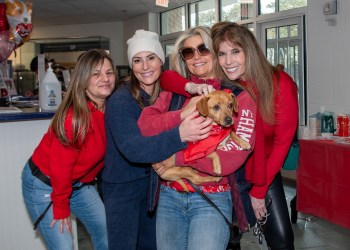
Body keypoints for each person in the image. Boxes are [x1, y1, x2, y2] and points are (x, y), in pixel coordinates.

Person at [137, 26, 257, 250]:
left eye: (203, 49)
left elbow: (232, 157)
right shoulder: (174, 93)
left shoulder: (237, 95)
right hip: (170, 195)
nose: (197, 56)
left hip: (213, 198)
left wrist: (177, 158)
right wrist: (180, 116)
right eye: (189, 52)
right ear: (183, 59)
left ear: (215, 52)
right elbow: (144, 126)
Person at [101, 29, 214, 250]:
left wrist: (190, 86)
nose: (145, 67)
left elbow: (174, 79)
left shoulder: (165, 91)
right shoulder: (121, 101)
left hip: (154, 186)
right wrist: (180, 135)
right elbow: (134, 149)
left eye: (151, 58)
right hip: (123, 189)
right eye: (137, 60)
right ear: (131, 66)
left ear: (160, 61)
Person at [210, 22, 298, 250]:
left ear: (250, 50)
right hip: (228, 174)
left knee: (282, 241)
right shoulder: (224, 88)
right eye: (222, 53)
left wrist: (259, 190)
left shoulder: (279, 82)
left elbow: (282, 142)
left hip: (265, 173)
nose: (228, 61)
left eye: (235, 51)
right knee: (229, 243)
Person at [21, 49, 116, 249]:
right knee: (64, 245)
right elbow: (60, 167)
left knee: (107, 231)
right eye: (96, 74)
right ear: (83, 79)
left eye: (109, 73)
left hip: (78, 183)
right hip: (45, 184)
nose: (105, 78)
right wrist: (61, 207)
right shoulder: (75, 118)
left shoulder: (110, 110)